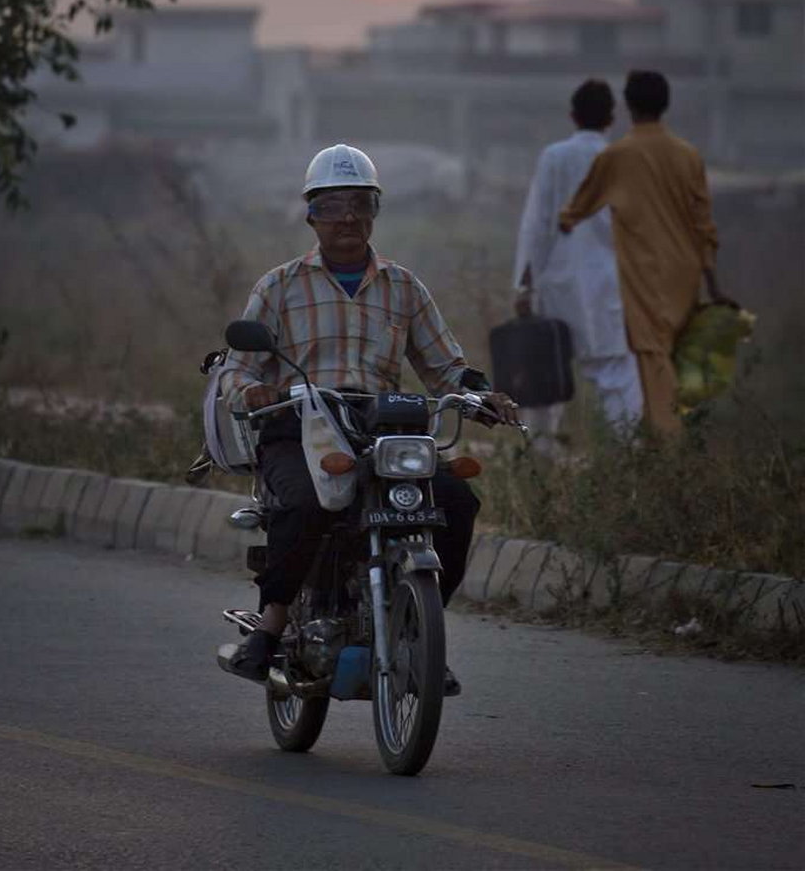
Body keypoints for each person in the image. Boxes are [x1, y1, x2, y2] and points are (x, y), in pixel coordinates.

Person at [217, 143, 518, 688]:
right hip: (300, 425)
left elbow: (446, 366)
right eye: (333, 206)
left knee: (455, 500)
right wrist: (254, 393)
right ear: (311, 214)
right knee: (303, 504)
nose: (348, 217)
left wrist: (480, 395)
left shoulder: (404, 287)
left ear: (376, 212)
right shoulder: (278, 286)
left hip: (384, 427)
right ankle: (272, 623)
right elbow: (237, 371)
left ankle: (420, 629)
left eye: (361, 204)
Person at [559, 70, 726, 436]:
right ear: (665, 105)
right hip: (685, 273)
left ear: (628, 106)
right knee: (673, 355)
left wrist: (564, 222)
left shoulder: (618, 156)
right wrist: (711, 280)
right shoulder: (688, 155)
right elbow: (703, 223)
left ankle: (665, 446)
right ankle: (674, 432)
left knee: (651, 354)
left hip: (644, 273)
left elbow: (575, 209)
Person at [512, 80, 643, 443]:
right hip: (609, 283)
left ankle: (540, 451)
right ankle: (629, 450)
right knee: (615, 371)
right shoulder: (621, 159)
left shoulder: (555, 156)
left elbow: (537, 225)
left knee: (547, 366)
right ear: (611, 119)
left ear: (573, 116)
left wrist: (525, 283)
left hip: (557, 280)